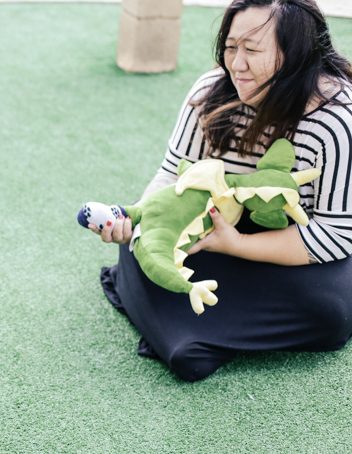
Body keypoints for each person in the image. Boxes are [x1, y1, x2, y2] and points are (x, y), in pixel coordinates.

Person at [92, 0, 352, 381]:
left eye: (252, 49)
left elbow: (336, 235)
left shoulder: (336, 121)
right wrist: (143, 219)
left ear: (296, 54)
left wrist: (237, 245)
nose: (236, 64)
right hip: (208, 227)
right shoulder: (212, 91)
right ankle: (190, 327)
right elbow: (170, 177)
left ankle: (183, 327)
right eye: (231, 47)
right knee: (143, 250)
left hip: (291, 245)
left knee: (332, 313)